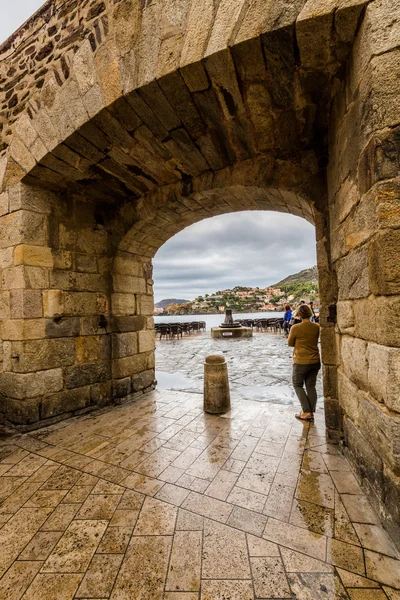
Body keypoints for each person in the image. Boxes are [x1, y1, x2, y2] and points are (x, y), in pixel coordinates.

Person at [288, 304, 320, 422]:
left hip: (301, 361)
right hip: (315, 360)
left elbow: (290, 343)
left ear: (299, 314)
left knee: (297, 384)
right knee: (311, 386)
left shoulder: (295, 328)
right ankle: (310, 412)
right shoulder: (317, 326)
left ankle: (306, 412)